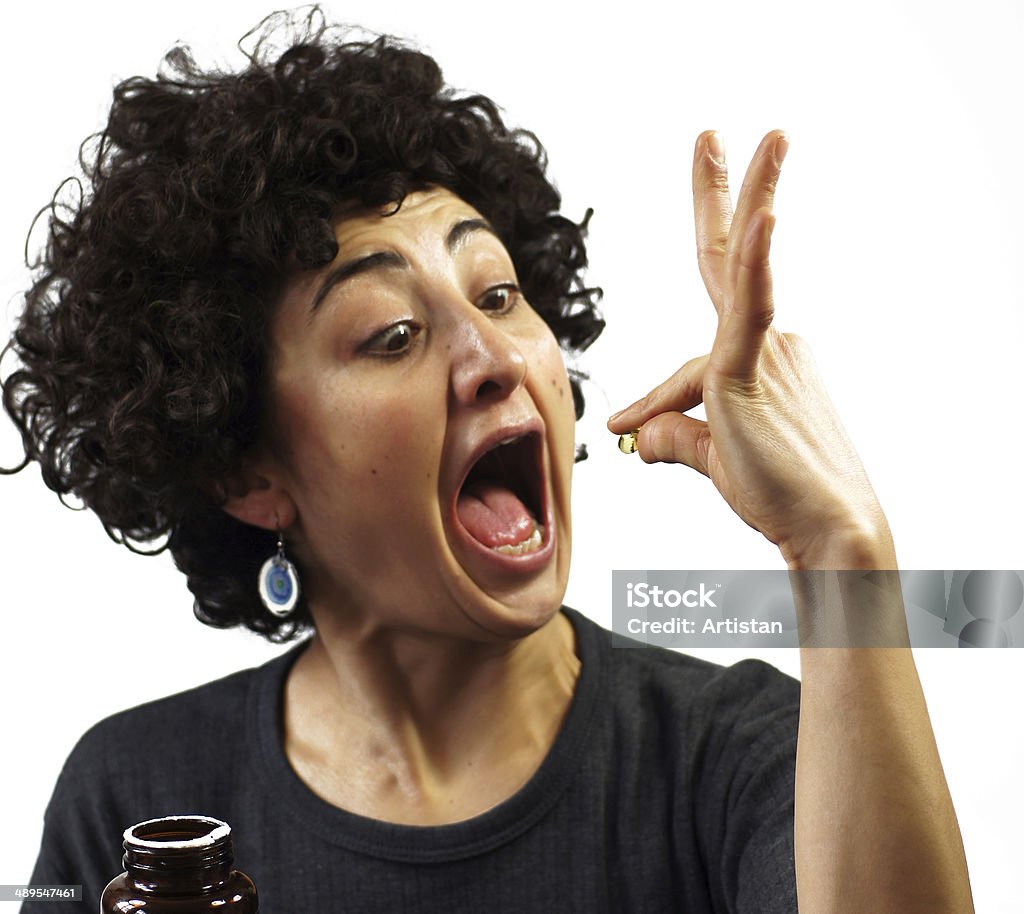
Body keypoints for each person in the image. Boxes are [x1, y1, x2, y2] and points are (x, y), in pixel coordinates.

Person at [3, 9, 974, 913]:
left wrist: (838, 548)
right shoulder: (139, 800)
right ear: (244, 469)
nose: (495, 357)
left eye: (501, 294)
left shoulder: (734, 756)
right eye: (390, 333)